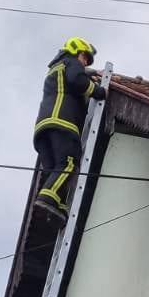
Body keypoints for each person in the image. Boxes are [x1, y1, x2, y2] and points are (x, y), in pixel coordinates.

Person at [33, 37, 104, 225]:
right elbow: (76, 80)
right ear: (76, 52)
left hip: (43, 129)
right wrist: (98, 91)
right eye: (84, 57)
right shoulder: (71, 63)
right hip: (63, 123)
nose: (85, 62)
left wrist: (87, 74)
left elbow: (72, 80)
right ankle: (48, 198)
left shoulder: (55, 69)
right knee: (69, 164)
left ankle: (57, 206)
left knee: (54, 169)